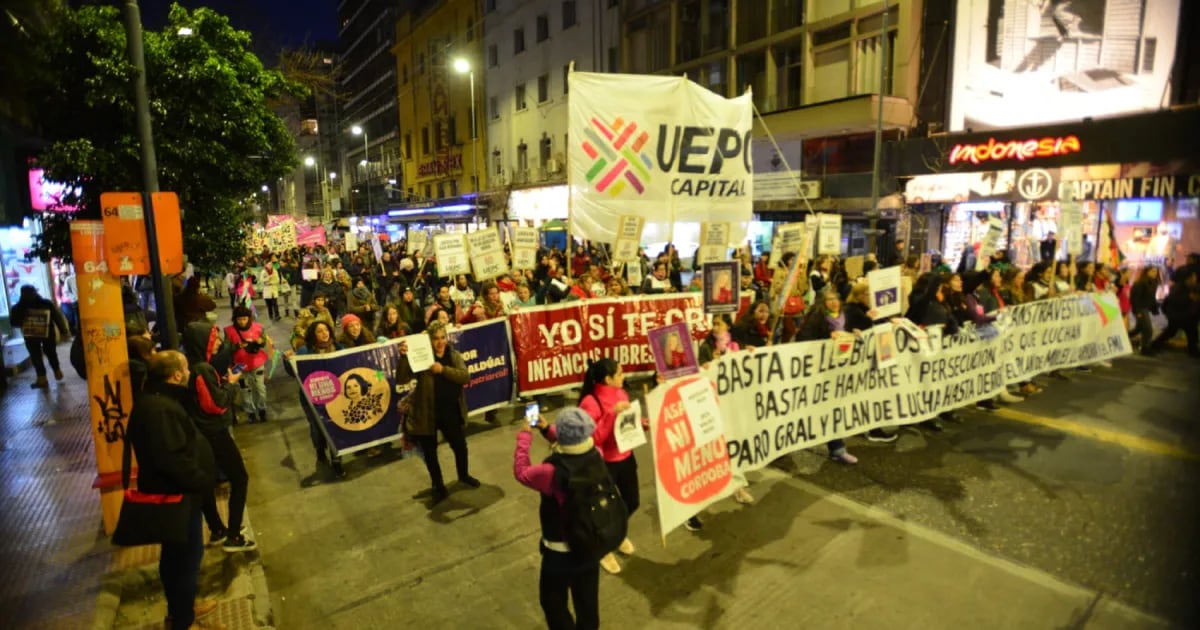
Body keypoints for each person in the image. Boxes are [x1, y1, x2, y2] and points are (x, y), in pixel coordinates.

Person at [125, 351, 218, 630]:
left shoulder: (158, 401)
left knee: (180, 559)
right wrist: (201, 481)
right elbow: (171, 458)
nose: (189, 373)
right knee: (184, 561)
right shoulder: (159, 408)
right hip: (176, 496)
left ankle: (183, 609)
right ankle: (182, 621)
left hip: (179, 494)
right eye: (186, 369)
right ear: (176, 375)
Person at [514, 407, 603, 630]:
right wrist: (546, 429)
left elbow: (522, 471)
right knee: (587, 605)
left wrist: (525, 436)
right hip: (590, 546)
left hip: (559, 552)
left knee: (552, 603)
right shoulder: (597, 456)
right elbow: (574, 444)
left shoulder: (550, 472)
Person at [181, 323, 255, 552]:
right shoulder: (202, 369)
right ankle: (234, 535)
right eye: (213, 339)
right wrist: (231, 385)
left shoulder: (195, 366)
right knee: (240, 478)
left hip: (201, 433)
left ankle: (218, 529)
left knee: (207, 483)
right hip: (214, 432)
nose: (218, 342)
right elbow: (216, 404)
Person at [576, 358, 649, 572]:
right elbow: (593, 438)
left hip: (625, 457)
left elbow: (628, 424)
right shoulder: (590, 403)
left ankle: (614, 534)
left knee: (631, 501)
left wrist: (643, 424)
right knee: (603, 509)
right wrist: (611, 414)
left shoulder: (621, 393)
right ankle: (602, 547)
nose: (623, 376)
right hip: (603, 464)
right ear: (608, 379)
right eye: (620, 373)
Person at [396, 321, 478, 505]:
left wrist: (443, 370)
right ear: (429, 340)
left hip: (450, 411)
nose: (440, 342)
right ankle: (438, 486)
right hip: (427, 413)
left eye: (443, 338)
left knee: (459, 446)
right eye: (436, 339)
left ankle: (463, 475)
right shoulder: (422, 358)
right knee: (430, 453)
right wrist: (403, 357)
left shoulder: (453, 355)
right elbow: (402, 378)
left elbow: (465, 377)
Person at [795, 290, 860, 462]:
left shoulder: (844, 316)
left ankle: (837, 449)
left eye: (836, 299)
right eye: (829, 300)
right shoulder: (816, 318)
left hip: (838, 371)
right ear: (822, 303)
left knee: (832, 409)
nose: (833, 302)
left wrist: (855, 333)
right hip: (820, 370)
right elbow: (803, 339)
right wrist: (826, 338)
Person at [285, 321, 346, 477]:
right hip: (312, 398)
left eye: (326, 330)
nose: (324, 333)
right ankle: (320, 449)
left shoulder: (339, 348)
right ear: (313, 335)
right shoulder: (304, 351)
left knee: (335, 427)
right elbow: (294, 373)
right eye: (320, 331)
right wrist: (288, 361)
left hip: (336, 396)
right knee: (318, 427)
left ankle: (337, 460)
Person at [9, 285, 70, 389]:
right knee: (50, 352)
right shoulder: (46, 303)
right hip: (47, 334)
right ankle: (56, 371)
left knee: (36, 356)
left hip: (31, 336)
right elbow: (57, 317)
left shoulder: (18, 307)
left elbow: (14, 323)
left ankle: (42, 378)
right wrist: (64, 331)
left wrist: (23, 319)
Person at [224, 306, 272, 424]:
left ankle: (262, 410)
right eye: (239, 319)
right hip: (239, 366)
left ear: (249, 318)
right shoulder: (229, 331)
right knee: (244, 390)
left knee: (260, 388)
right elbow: (225, 348)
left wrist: (260, 342)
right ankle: (250, 413)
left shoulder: (258, 328)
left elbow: (264, 342)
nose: (242, 322)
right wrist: (237, 346)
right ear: (234, 319)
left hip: (257, 363)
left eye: (244, 319)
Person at [1148, 267, 1198, 358]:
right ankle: (1193, 351)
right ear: (1188, 278)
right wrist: (1189, 299)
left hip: (1179, 316)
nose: (1195, 278)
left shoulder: (1185, 287)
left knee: (1172, 332)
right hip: (1179, 316)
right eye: (1193, 277)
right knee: (1191, 332)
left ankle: (1154, 345)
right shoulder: (1180, 288)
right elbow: (1174, 301)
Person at [1130, 266, 1161, 354]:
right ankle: (1145, 349)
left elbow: (1151, 298)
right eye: (1152, 271)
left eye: (1156, 271)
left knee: (1139, 329)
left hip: (1145, 308)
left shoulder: (1154, 282)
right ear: (1146, 272)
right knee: (1148, 329)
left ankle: (1124, 337)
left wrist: (1154, 308)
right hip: (1140, 309)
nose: (1154, 273)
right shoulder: (1141, 283)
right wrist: (1137, 311)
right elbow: (1135, 298)